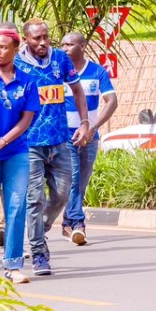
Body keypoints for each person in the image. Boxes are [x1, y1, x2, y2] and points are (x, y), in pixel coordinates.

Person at [15, 18, 90, 276]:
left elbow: (78, 92)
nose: (43, 42)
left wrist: (84, 122)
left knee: (63, 194)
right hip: (30, 144)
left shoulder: (61, 59)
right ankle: (39, 254)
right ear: (26, 39)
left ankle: (39, 230)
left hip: (60, 141)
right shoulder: (16, 64)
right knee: (35, 199)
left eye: (46, 37)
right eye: (37, 38)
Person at [0, 29, 40, 284]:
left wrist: (4, 141)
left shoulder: (28, 81)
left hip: (15, 151)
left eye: (4, 47)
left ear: (16, 50)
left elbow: (26, 119)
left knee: (16, 207)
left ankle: (13, 265)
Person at [60, 32, 118, 246]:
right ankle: (78, 224)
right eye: (63, 44)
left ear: (82, 46)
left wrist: (93, 128)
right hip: (66, 136)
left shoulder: (97, 71)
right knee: (73, 178)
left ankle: (67, 223)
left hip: (90, 136)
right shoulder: (59, 73)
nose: (65, 48)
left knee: (82, 182)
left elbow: (112, 100)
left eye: (70, 44)